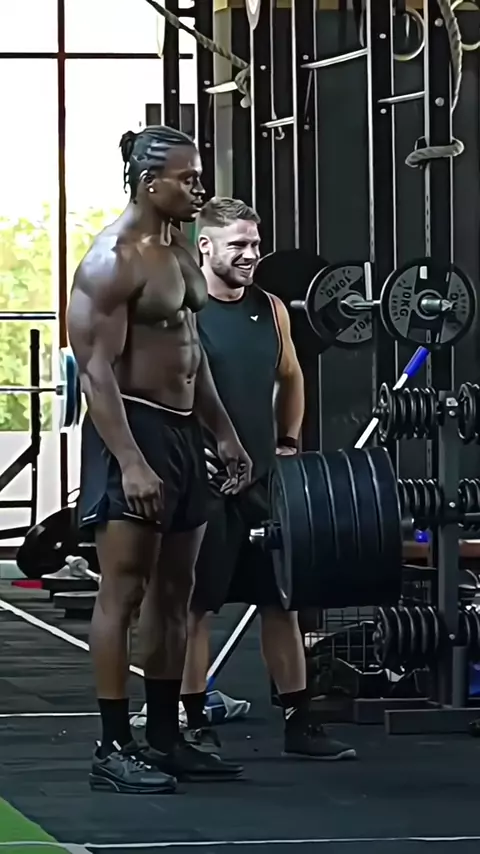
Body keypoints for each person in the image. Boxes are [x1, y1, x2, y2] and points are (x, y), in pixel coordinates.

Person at [67, 128, 253, 795]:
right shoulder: (112, 259)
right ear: (150, 184)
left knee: (178, 591)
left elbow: (190, 354)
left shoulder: (176, 250)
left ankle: (167, 737)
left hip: (182, 433)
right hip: (132, 431)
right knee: (123, 592)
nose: (200, 189)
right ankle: (112, 747)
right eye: (188, 178)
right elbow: (95, 372)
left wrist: (224, 433)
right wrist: (131, 462)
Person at [180, 197, 357, 762]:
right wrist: (189, 453)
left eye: (255, 244)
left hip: (264, 484)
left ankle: (300, 723)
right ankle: (193, 724)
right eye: (237, 244)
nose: (250, 254)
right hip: (206, 485)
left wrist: (288, 441)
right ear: (205, 245)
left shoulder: (272, 308)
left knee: (283, 605)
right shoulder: (182, 308)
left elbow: (291, 375)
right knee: (195, 607)